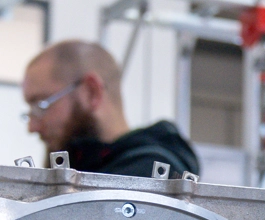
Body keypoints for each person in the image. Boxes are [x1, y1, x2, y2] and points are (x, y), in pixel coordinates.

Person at [21, 39, 199, 178]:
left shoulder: (149, 178)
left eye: (41, 105)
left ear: (92, 92)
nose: (32, 127)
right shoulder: (83, 167)